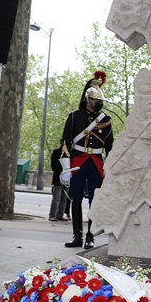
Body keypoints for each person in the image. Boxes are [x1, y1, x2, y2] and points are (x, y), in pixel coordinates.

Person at [59, 71, 113, 249]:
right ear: (88, 100)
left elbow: (110, 146)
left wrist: (110, 167)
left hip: (96, 162)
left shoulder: (106, 120)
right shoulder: (75, 116)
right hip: (77, 162)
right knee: (76, 200)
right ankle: (77, 235)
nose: (98, 103)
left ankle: (90, 235)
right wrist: (65, 168)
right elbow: (66, 141)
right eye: (95, 100)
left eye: (100, 100)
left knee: (94, 201)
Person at [48, 143, 68, 222]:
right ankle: (52, 215)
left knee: (64, 198)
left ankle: (60, 214)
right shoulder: (56, 152)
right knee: (56, 198)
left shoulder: (70, 153)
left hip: (66, 179)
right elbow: (54, 165)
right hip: (58, 179)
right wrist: (60, 176)